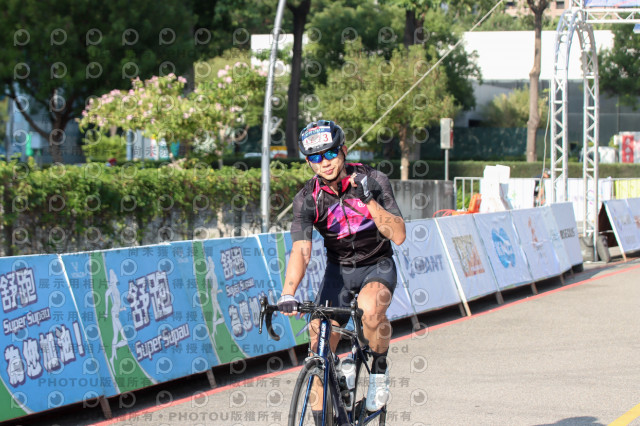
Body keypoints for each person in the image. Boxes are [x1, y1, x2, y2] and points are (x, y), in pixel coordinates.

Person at [277, 120, 406, 419]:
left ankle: (379, 371)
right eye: (315, 157)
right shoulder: (307, 198)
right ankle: (327, 406)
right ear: (308, 162)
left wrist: (368, 200)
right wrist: (288, 292)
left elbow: (398, 235)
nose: (324, 163)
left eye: (330, 153)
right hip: (339, 271)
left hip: (377, 264)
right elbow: (301, 250)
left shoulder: (374, 179)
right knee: (318, 347)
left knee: (370, 311)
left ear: (343, 150)